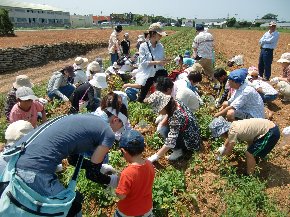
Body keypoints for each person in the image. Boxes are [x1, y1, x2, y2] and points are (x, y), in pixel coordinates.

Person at [9, 111, 126, 215]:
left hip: (18, 159)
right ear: (115, 120)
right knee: (70, 208)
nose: (117, 132)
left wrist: (99, 167)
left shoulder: (87, 119)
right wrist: (114, 181)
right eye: (120, 128)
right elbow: (92, 175)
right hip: (34, 171)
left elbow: (73, 160)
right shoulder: (108, 133)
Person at [209, 116, 280, 175]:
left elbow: (229, 151)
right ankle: (255, 159)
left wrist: (219, 157)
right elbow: (229, 138)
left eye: (220, 135)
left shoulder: (233, 132)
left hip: (271, 133)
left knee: (249, 154)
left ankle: (250, 175)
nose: (220, 136)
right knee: (250, 148)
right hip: (268, 127)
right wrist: (223, 147)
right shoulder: (233, 125)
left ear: (222, 132)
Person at [146, 91, 201, 162]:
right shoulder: (175, 102)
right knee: (163, 127)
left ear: (163, 107)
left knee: (164, 131)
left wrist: (156, 156)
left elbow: (171, 141)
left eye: (158, 110)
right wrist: (162, 123)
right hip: (193, 130)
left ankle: (178, 151)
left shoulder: (175, 118)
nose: (158, 112)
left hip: (190, 141)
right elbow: (169, 114)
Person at [114, 130, 155, 217]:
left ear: (124, 151)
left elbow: (121, 196)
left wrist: (116, 188)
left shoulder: (127, 173)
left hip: (128, 212)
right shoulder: (149, 164)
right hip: (146, 209)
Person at [136, 23, 169, 102]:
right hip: (148, 73)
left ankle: (161, 103)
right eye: (159, 34)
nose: (161, 36)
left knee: (164, 87)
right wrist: (157, 62)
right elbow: (143, 63)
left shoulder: (160, 46)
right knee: (142, 97)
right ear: (153, 34)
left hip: (158, 72)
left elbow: (161, 60)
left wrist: (164, 61)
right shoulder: (143, 46)